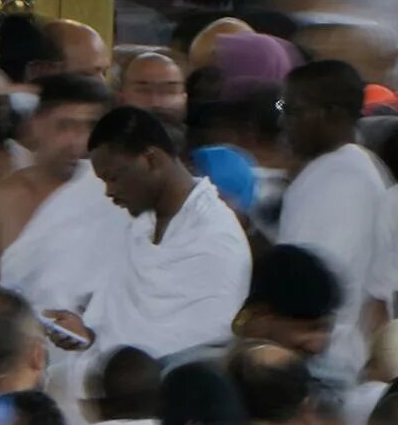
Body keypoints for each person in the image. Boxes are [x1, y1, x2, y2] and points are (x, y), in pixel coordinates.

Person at [55, 105, 252, 365]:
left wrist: (98, 344)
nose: (109, 192)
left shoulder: (217, 237)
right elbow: (113, 316)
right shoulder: (141, 225)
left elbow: (199, 344)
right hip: (113, 379)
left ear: (151, 160)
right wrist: (86, 333)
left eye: (113, 178)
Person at [275, 57, 389, 373]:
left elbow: (311, 290)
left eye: (293, 111)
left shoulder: (345, 181)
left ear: (332, 114)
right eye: (282, 107)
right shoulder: (334, 168)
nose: (283, 122)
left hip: (326, 361)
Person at [0, 70, 120, 312]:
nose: (79, 141)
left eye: (91, 127)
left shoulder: (117, 194)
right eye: (65, 126)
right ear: (37, 125)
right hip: (20, 337)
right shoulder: (7, 193)